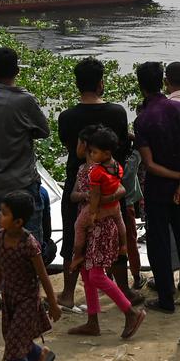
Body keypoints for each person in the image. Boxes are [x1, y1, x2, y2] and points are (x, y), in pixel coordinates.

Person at [56, 57, 130, 310]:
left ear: (78, 85)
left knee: (73, 235)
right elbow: (122, 147)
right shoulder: (117, 113)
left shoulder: (67, 117)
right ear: (100, 84)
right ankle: (120, 288)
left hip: (77, 184)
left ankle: (67, 292)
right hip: (109, 185)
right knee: (111, 232)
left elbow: (70, 149)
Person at [67, 127, 145, 339]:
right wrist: (88, 196)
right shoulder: (86, 170)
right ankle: (93, 321)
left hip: (100, 228)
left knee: (97, 275)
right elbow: (74, 195)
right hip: (91, 226)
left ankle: (130, 312)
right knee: (87, 274)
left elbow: (119, 191)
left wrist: (98, 201)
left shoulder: (102, 171)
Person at [132, 61, 180, 314]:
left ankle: (166, 298)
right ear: (162, 81)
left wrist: (176, 178)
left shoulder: (143, 120)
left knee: (159, 243)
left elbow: (149, 164)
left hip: (159, 190)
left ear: (141, 86)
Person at [0, 191, 61, 361]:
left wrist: (54, 304)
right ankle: (40, 354)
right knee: (14, 340)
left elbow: (43, 275)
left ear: (19, 222)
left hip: (28, 300)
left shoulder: (29, 244)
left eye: (5, 213)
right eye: (0, 212)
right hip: (9, 298)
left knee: (13, 347)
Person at [0, 48, 50, 248]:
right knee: (31, 242)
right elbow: (44, 131)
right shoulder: (24, 99)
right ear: (17, 71)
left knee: (3, 238)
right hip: (23, 182)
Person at [69, 127, 127, 270]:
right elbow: (120, 187)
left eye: (95, 152)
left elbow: (95, 195)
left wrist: (93, 212)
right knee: (120, 221)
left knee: (79, 226)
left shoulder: (95, 172)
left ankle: (77, 255)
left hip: (99, 211)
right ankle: (124, 245)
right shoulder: (117, 166)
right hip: (114, 207)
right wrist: (111, 197)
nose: (93, 154)